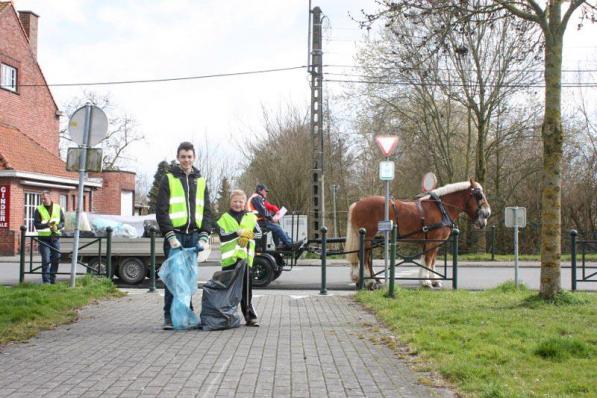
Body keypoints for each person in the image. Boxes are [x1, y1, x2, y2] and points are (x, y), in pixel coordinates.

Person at [156, 141, 212, 330]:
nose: (186, 160)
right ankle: (169, 317)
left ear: (193, 157)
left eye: (189, 156)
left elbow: (207, 211)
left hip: (194, 236)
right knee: (173, 278)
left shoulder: (201, 180)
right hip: (176, 236)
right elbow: (161, 210)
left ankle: (186, 313)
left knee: (188, 278)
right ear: (178, 157)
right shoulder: (169, 179)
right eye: (183, 156)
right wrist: (170, 235)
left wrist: (204, 235)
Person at [217, 189, 261, 326]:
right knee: (227, 289)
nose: (238, 204)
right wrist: (238, 233)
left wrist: (248, 234)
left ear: (244, 203)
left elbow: (259, 234)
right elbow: (223, 236)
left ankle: (249, 316)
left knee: (246, 289)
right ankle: (226, 316)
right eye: (235, 201)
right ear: (230, 202)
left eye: (240, 201)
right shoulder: (224, 218)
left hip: (245, 259)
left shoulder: (252, 217)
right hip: (229, 260)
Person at [247, 183, 297, 250]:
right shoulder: (256, 198)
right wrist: (271, 218)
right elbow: (263, 211)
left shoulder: (256, 198)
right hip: (256, 222)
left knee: (275, 226)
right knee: (277, 227)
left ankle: (279, 245)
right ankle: (290, 244)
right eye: (265, 191)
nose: (266, 193)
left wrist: (273, 215)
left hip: (257, 221)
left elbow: (267, 208)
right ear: (260, 190)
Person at [33, 191, 65, 284]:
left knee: (56, 258)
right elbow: (36, 225)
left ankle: (52, 279)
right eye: (42, 199)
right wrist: (47, 225)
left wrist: (57, 227)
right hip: (44, 239)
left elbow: (63, 222)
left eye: (45, 198)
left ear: (49, 197)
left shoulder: (58, 207)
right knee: (46, 259)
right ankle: (46, 281)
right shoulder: (38, 209)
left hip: (55, 237)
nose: (43, 200)